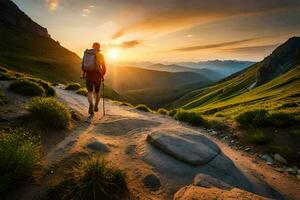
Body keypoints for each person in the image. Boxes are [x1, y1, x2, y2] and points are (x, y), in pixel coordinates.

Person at [82, 42, 106, 115]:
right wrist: (102, 75)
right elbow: (104, 67)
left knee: (89, 92)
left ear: (92, 46)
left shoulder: (87, 53)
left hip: (89, 75)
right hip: (97, 76)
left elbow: (83, 64)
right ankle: (95, 106)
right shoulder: (101, 55)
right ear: (99, 48)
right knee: (97, 92)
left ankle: (91, 105)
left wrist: (84, 73)